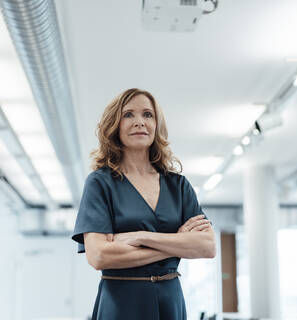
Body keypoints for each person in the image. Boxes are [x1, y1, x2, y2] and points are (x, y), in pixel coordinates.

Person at [72, 88, 216, 319]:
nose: (139, 122)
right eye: (128, 114)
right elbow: (98, 256)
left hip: (171, 299)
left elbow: (207, 247)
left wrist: (140, 237)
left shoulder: (178, 185)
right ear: (115, 125)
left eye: (147, 114)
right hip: (121, 302)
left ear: (156, 125)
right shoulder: (100, 183)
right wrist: (177, 242)